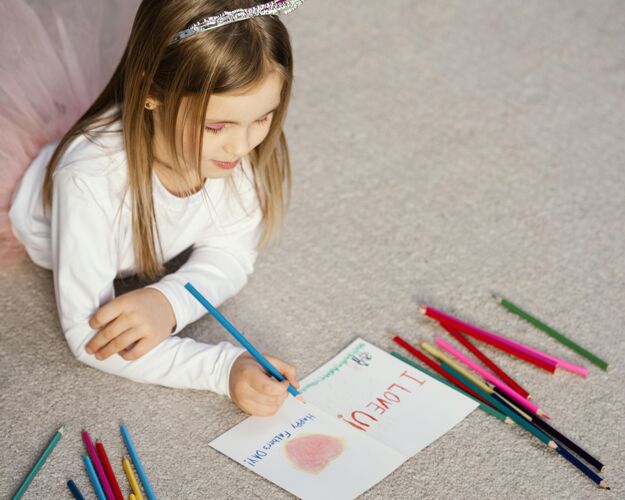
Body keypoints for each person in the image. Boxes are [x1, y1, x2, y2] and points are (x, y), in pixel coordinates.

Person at [2, 0, 305, 416]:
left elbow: (233, 253)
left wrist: (168, 302)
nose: (241, 146)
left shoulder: (230, 153)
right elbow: (88, 336)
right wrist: (221, 369)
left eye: (263, 119)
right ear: (150, 95)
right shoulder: (89, 182)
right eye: (217, 126)